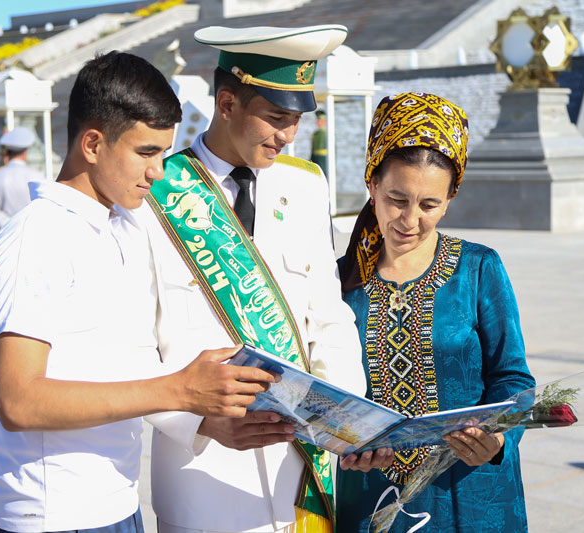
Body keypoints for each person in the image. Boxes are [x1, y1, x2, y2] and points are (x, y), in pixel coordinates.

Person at [0, 51, 278, 533]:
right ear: (93, 143)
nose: (158, 171)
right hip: (54, 515)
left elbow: (121, 362)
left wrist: (203, 416)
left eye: (163, 152)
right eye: (146, 152)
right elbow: (18, 401)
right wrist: (179, 389)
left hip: (117, 502)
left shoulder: (122, 225)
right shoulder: (35, 238)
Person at [138, 24, 392, 533]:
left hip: (300, 476)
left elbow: (328, 317)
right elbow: (135, 348)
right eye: (276, 118)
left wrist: (351, 424)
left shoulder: (304, 184)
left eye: (296, 119)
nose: (288, 135)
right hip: (204, 478)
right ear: (227, 103)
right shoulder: (154, 194)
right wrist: (202, 422)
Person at [335, 93, 536, 532]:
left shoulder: (478, 268)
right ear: (372, 186)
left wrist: (499, 437)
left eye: (429, 205)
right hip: (372, 496)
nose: (409, 220)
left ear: (450, 199)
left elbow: (514, 379)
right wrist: (344, 442)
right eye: (396, 199)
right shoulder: (339, 284)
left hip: (471, 493)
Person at [0, 127, 46, 236]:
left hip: (3, 231)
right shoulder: (38, 176)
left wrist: (6, 222)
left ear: (7, 153)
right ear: (25, 153)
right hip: (29, 230)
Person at [310, 109, 327, 174]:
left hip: (324, 161)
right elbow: (313, 150)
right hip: (316, 161)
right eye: (318, 120)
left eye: (320, 120)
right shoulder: (316, 134)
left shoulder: (328, 133)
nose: (318, 122)